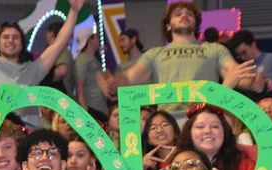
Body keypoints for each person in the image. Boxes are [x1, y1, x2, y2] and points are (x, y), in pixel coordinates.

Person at [103, 2, 257, 119]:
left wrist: (253, 81)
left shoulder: (214, 49)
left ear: (196, 23)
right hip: (168, 121)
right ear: (168, 25)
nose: (184, 16)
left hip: (203, 117)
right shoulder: (155, 54)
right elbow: (130, 78)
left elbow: (236, 74)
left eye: (189, 14)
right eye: (177, 14)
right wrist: (113, 83)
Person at [0, 0, 84, 127]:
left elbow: (60, 42)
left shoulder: (34, 69)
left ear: (21, 45)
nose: (11, 40)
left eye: (16, 37)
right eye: (5, 37)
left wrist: (74, 11)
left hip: (27, 136)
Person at [74, 28, 108, 119]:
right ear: (90, 39)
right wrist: (85, 112)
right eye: (96, 36)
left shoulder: (92, 59)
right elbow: (79, 85)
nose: (99, 39)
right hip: (92, 109)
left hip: (101, 108)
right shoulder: (82, 59)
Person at [40, 21, 75, 96]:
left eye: (47, 32)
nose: (46, 36)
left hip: (60, 99)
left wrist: (40, 79)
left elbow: (62, 71)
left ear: (51, 33)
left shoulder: (61, 51)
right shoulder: (59, 51)